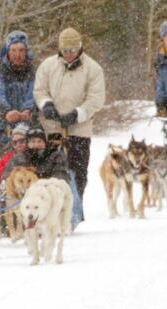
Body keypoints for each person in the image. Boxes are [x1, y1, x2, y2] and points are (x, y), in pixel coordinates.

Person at [33, 27, 105, 202]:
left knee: (77, 172)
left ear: (79, 47)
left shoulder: (93, 69)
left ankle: (73, 209)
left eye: (72, 50)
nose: (69, 54)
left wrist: (77, 114)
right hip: (52, 129)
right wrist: (45, 104)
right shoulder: (48, 65)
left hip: (79, 130)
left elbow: (96, 99)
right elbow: (39, 90)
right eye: (65, 50)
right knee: (49, 172)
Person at [0, 30, 38, 158]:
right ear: (7, 51)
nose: (17, 54)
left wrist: (28, 109)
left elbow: (36, 92)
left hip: (29, 125)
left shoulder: (34, 73)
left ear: (26, 52)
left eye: (21, 50)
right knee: (8, 165)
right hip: (4, 127)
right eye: (13, 50)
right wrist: (6, 111)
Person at [3, 127, 69, 182]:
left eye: (40, 141)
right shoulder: (20, 158)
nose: (36, 144)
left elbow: (60, 177)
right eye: (33, 141)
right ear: (28, 144)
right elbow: (8, 176)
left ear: (45, 143)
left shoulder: (56, 156)